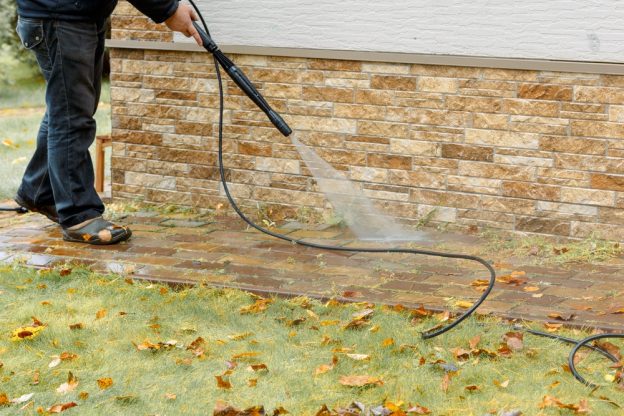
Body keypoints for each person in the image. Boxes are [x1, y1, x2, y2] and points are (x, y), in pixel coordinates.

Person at [13, 0, 202, 245]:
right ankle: (78, 215)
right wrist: (167, 9)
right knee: (71, 117)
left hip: (74, 15)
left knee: (69, 110)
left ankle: (38, 191)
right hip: (61, 17)